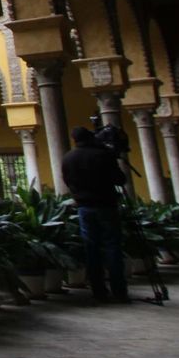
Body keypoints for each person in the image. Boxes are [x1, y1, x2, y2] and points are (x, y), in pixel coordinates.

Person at [62, 126, 128, 302]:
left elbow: (67, 181)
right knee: (112, 246)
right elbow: (120, 179)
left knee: (91, 249)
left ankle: (98, 291)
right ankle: (119, 291)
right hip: (106, 205)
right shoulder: (103, 155)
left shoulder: (68, 158)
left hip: (84, 207)